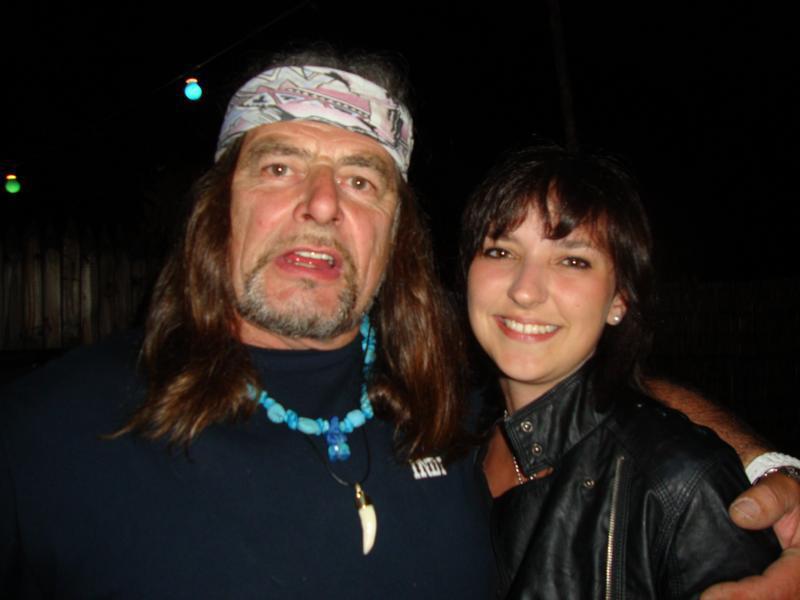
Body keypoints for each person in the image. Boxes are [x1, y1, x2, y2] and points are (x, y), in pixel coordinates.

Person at [1, 46, 798, 598]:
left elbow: (593, 405)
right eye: (279, 166)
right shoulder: (43, 439)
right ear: (216, 211)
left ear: (396, 235)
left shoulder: (441, 403)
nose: (321, 204)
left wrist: (758, 465)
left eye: (361, 180)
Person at [460, 144, 786, 598]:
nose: (525, 291)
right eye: (500, 251)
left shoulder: (681, 484)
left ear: (619, 300)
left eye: (573, 261)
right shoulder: (444, 441)